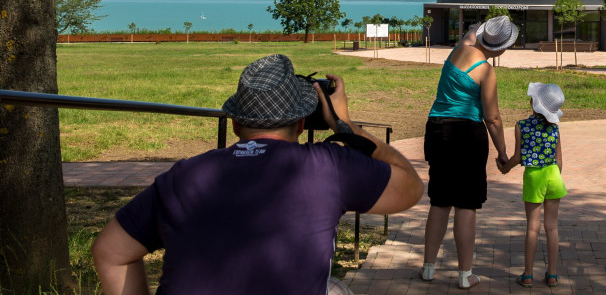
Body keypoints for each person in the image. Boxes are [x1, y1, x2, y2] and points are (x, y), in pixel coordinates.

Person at [90, 54, 423, 295]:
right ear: (303, 122)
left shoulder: (185, 175)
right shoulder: (330, 166)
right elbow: (410, 187)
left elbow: (110, 252)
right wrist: (345, 125)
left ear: (234, 123)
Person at [420, 15, 518, 290]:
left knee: (439, 201)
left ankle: (428, 268)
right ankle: (465, 274)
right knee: (465, 205)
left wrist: (485, 27)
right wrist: (502, 151)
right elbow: (493, 118)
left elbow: (472, 34)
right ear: (500, 48)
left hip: (437, 130)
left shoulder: (459, 49)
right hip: (466, 136)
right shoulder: (486, 71)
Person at [497, 82, 567, 289]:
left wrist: (504, 168)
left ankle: (528, 275)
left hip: (534, 177)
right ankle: (552, 274)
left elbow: (518, 157)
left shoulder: (521, 125)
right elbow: (559, 159)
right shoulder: (555, 127)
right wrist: (554, 176)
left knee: (533, 227)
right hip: (553, 175)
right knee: (551, 227)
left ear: (533, 103)